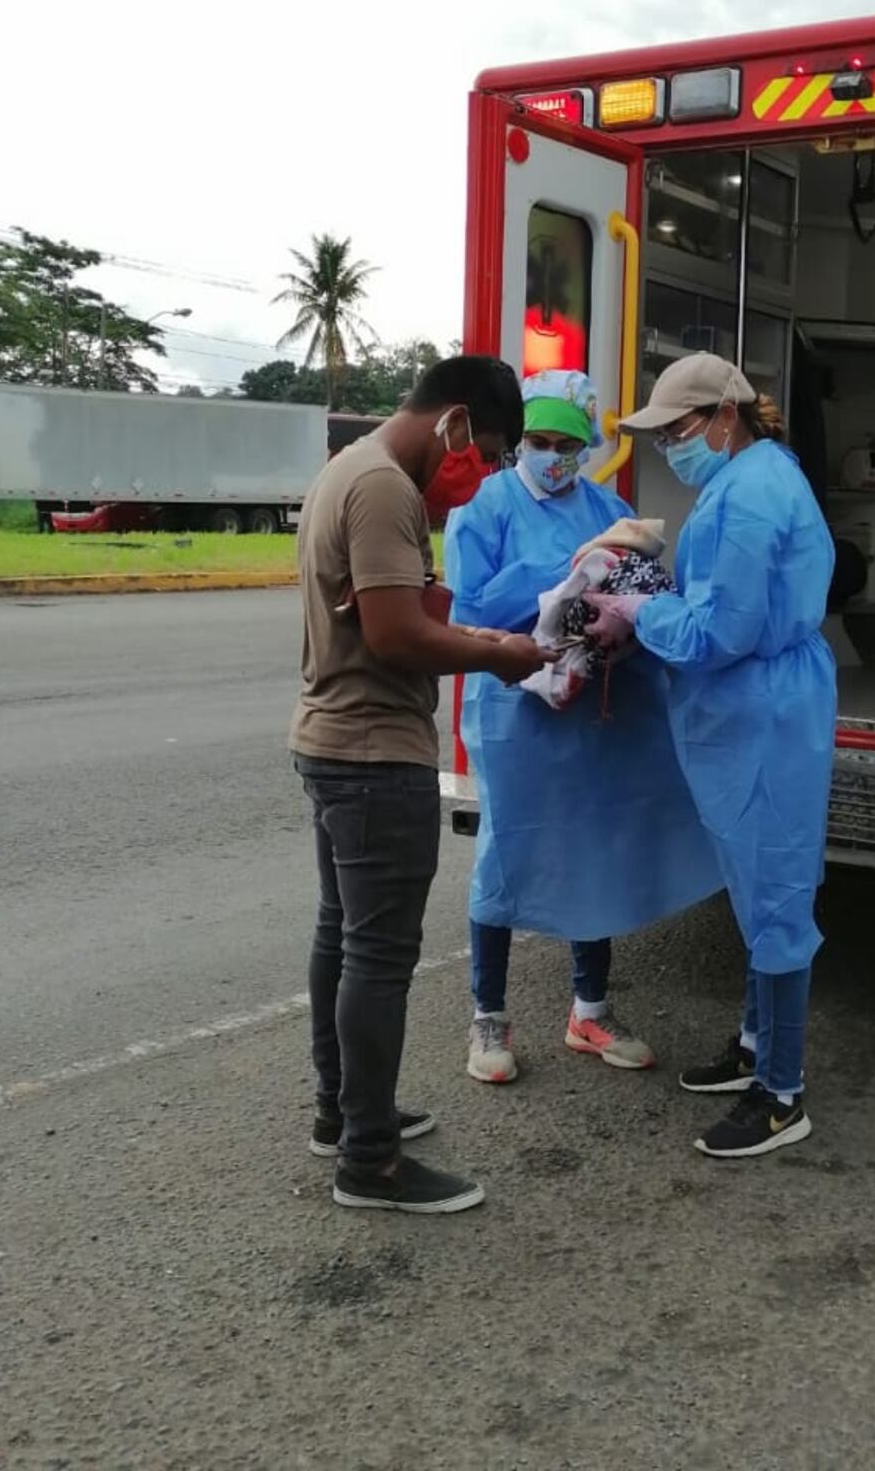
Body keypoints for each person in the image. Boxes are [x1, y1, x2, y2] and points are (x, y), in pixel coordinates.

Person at [290, 355, 552, 1215]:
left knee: (344, 936)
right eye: (488, 452)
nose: (478, 477)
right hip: (373, 755)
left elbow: (391, 612)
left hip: (337, 742)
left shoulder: (349, 469)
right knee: (378, 956)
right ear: (455, 424)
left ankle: (346, 1115)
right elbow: (397, 635)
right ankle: (370, 1163)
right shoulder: (383, 489)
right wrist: (499, 655)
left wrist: (466, 630)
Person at [586, 352, 836, 1159]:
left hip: (760, 714)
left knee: (775, 902)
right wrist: (658, 603)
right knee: (756, 889)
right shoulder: (752, 476)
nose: (668, 449)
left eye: (678, 430)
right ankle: (757, 1049)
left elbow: (719, 634)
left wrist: (638, 609)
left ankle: (781, 1093)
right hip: (757, 709)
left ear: (724, 416)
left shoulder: (750, 495)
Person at [444, 369, 721, 1084]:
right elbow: (467, 608)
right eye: (539, 441)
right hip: (517, 712)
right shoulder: (484, 507)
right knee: (507, 856)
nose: (553, 456)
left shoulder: (606, 506)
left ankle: (589, 1011)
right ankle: (488, 1019)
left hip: (594, 708)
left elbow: (634, 590)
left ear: (591, 445)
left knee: (596, 847)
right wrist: (560, 568)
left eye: (569, 444)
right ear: (519, 442)